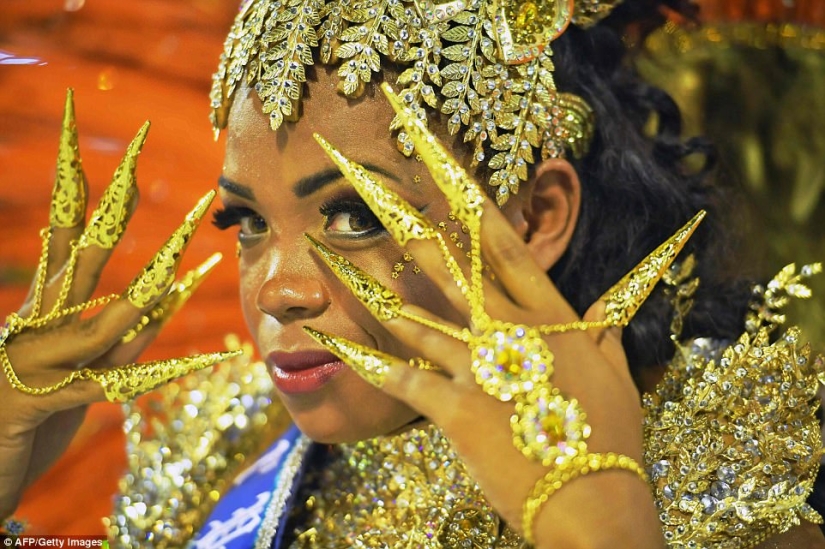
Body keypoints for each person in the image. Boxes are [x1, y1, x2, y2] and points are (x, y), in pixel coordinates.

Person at [1, 0, 824, 547]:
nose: (277, 288)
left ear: (536, 216)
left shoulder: (710, 471)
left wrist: (601, 526)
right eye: (246, 221)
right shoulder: (226, 447)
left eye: (357, 215)